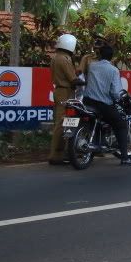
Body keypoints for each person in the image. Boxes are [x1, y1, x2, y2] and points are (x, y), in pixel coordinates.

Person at [82, 44, 131, 166]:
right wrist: (118, 98)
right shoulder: (113, 70)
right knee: (121, 124)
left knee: (100, 121)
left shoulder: (92, 66)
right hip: (102, 105)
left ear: (100, 55)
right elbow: (116, 93)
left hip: (87, 102)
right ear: (112, 57)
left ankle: (99, 143)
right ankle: (125, 158)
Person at [48, 34, 84, 165]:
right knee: (63, 123)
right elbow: (73, 79)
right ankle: (56, 155)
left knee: (63, 122)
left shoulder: (57, 57)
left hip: (60, 91)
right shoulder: (64, 59)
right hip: (65, 91)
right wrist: (85, 82)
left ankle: (61, 153)